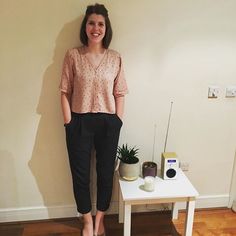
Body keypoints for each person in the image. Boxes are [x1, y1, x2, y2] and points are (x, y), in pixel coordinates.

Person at [59, 3, 128, 236]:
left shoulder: (115, 58)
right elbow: (64, 91)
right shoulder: (73, 55)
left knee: (105, 172)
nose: (95, 28)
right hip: (79, 122)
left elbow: (120, 92)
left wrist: (118, 120)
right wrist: (69, 122)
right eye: (91, 23)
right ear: (85, 26)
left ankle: (100, 219)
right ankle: (87, 220)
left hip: (109, 123)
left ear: (106, 28)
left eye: (100, 24)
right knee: (80, 174)